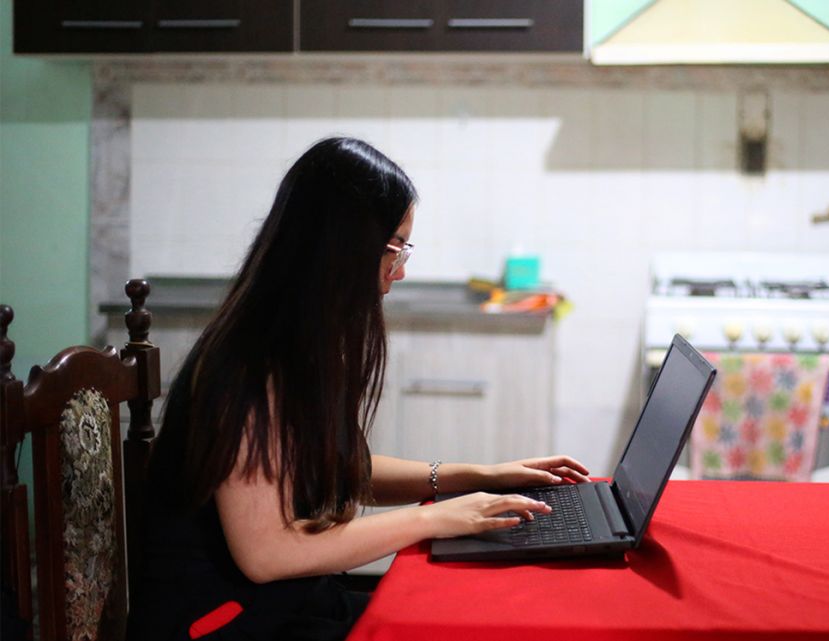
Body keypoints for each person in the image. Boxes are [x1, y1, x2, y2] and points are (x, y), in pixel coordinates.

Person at [126, 137, 589, 641]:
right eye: (394, 248)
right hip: (225, 621)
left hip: (286, 601)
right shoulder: (248, 367)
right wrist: (436, 520)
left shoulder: (299, 344)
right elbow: (267, 554)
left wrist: (477, 477)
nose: (401, 270)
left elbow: (345, 468)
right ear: (340, 248)